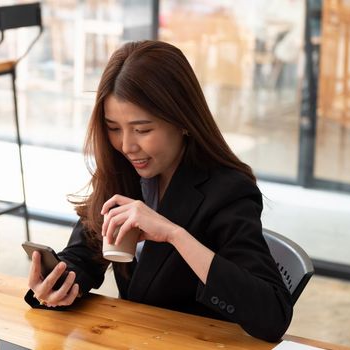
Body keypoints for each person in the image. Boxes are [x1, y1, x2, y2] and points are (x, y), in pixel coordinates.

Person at [25, 40, 292, 342]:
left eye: (142, 130)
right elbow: (84, 254)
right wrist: (58, 285)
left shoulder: (228, 191)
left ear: (183, 121)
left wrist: (175, 235)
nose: (127, 145)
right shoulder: (122, 170)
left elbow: (272, 316)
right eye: (114, 128)